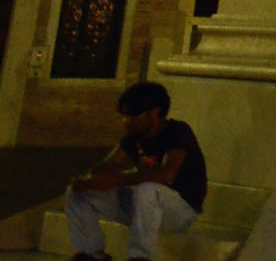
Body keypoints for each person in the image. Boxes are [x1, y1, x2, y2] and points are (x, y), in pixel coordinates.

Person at [65, 82, 207, 261]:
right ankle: (91, 253)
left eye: (132, 116)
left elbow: (167, 176)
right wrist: (89, 180)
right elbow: (109, 166)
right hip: (145, 207)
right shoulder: (134, 136)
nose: (126, 121)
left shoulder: (177, 131)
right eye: (124, 116)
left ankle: (140, 257)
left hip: (180, 210)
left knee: (147, 189)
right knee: (79, 191)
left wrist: (117, 180)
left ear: (154, 113)